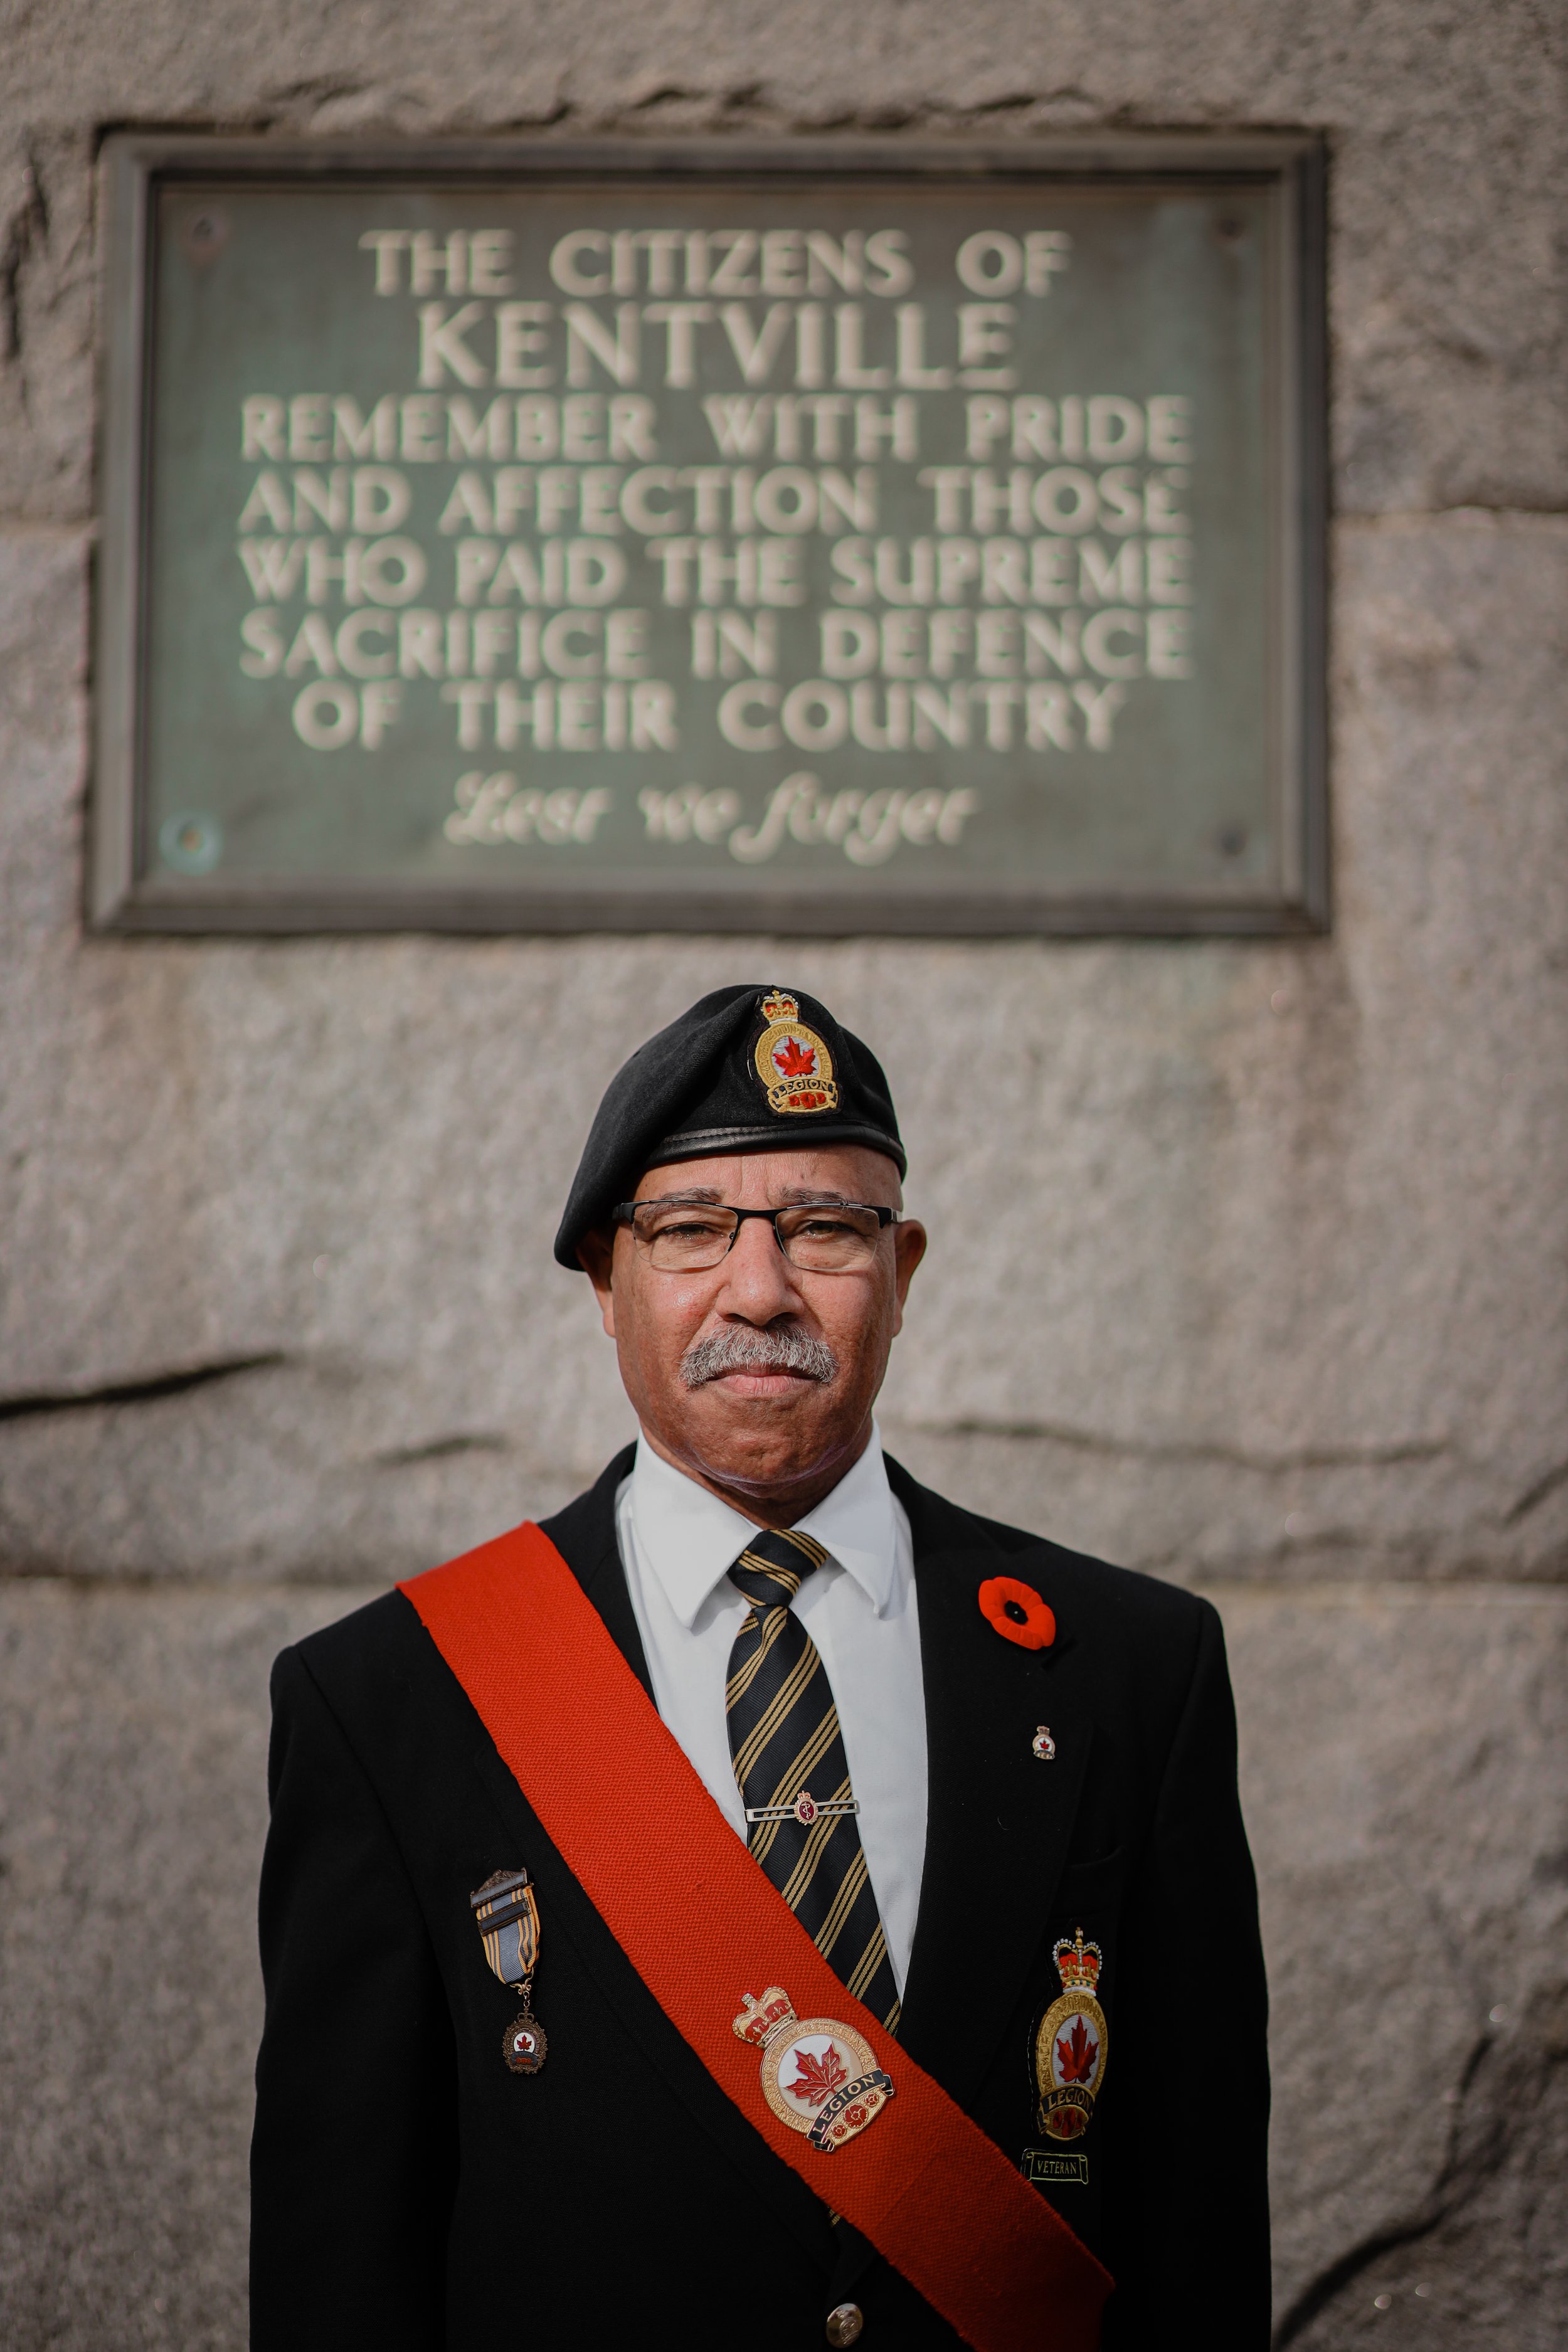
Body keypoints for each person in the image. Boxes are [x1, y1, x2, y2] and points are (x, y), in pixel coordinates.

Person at [250, 983, 1270, 2350]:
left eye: (824, 1231)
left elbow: (1196, 2222)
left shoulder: (1128, 1670)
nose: (759, 1288)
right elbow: (340, 2262)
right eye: (686, 1233)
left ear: (902, 1270)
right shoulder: (391, 1699)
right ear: (603, 1285)